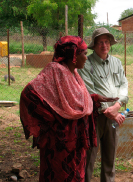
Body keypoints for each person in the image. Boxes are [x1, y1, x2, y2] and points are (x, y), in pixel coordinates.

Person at [20, 36, 118, 182]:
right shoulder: (55, 70)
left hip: (75, 142)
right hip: (59, 144)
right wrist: (53, 119)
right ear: (73, 55)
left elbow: (70, 100)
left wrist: (94, 98)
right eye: (83, 54)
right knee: (59, 176)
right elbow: (28, 94)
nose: (86, 58)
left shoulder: (74, 73)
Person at [78, 27, 129, 182]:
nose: (104, 45)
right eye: (100, 42)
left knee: (110, 157)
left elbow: (123, 85)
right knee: (89, 157)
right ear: (94, 45)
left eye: (106, 41)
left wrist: (117, 106)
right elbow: (89, 91)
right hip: (94, 117)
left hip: (114, 115)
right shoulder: (86, 63)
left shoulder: (116, 62)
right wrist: (108, 110)